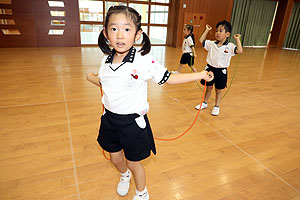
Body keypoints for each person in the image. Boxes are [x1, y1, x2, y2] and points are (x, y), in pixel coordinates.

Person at [86, 6, 213, 200]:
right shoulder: (106, 60)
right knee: (115, 158)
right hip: (109, 121)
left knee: (134, 162)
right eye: (114, 29)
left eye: (127, 29)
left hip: (133, 124)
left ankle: (141, 192)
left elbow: (168, 78)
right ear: (105, 33)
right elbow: (106, 82)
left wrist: (200, 74)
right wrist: (91, 77)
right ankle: (123, 175)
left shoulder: (144, 60)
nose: (120, 35)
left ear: (138, 35)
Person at [195, 20, 243, 116]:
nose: (217, 33)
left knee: (218, 89)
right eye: (216, 31)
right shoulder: (212, 44)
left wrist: (237, 39)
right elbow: (201, 41)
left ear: (227, 34)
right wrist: (207, 30)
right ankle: (205, 103)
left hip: (221, 71)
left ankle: (216, 106)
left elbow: (240, 50)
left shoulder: (230, 46)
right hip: (210, 69)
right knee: (208, 87)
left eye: (220, 31)